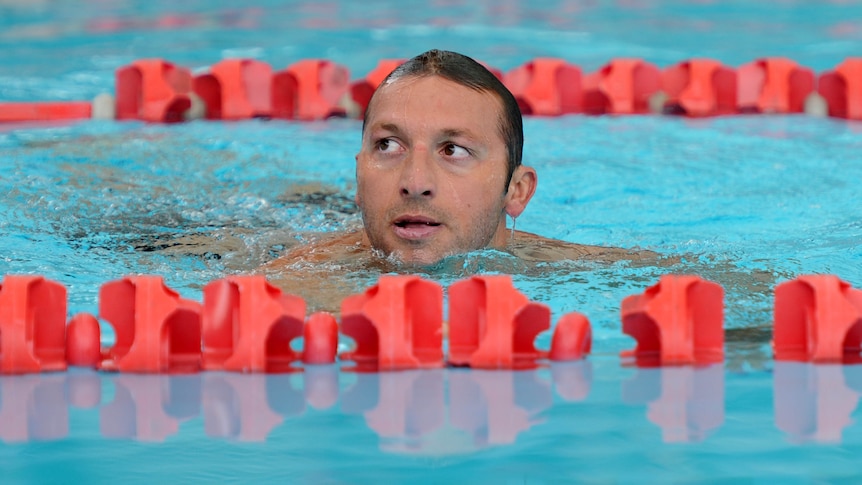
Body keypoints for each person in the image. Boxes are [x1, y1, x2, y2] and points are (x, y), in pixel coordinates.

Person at [263, 49, 653, 311]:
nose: (415, 182)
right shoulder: (290, 280)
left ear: (516, 191)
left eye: (453, 150)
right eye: (388, 145)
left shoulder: (596, 273)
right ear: (358, 180)